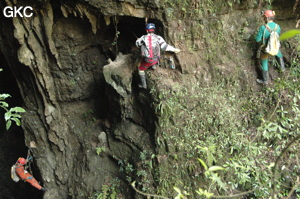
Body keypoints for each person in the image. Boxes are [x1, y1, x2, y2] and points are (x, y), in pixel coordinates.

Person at [136, 23, 181, 89]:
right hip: (156, 59)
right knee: (155, 55)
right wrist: (174, 49)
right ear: (154, 30)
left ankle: (144, 85)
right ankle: (153, 65)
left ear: (147, 30)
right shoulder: (158, 38)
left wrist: (138, 40)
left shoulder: (143, 38)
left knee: (140, 69)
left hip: (148, 60)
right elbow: (165, 47)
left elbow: (137, 44)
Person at [255, 10, 285, 84]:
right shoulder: (278, 27)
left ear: (266, 17)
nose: (263, 19)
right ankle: (282, 68)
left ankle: (265, 80)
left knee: (264, 60)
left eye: (264, 17)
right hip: (275, 47)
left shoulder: (263, 28)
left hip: (266, 49)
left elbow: (257, 39)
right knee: (278, 53)